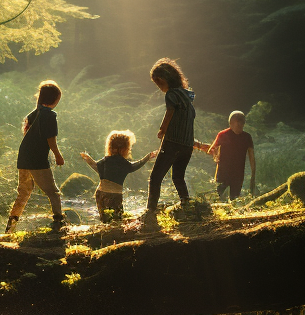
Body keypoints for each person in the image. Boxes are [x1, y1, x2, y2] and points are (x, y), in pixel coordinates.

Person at [6, 79, 66, 233]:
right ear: (54, 99)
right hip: (37, 160)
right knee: (53, 192)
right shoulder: (50, 116)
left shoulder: (33, 114)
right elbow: (50, 139)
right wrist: (58, 156)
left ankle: (10, 227)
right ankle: (59, 223)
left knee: (24, 193)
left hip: (24, 158)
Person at [145, 58, 198, 221]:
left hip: (173, 143)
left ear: (163, 80)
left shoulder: (171, 95)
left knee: (155, 177)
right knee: (178, 177)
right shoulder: (187, 96)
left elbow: (170, 112)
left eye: (157, 83)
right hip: (187, 145)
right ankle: (186, 205)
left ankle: (150, 212)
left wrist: (162, 130)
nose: (158, 87)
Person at [80, 131, 155, 222]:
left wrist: (88, 159)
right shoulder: (122, 162)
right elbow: (134, 166)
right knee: (117, 219)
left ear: (110, 146)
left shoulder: (106, 160)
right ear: (125, 148)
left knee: (105, 219)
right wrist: (147, 157)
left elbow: (96, 167)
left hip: (100, 193)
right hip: (114, 195)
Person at [204, 110, 256, 201]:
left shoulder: (247, 137)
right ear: (231, 123)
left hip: (238, 173)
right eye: (238, 123)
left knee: (235, 198)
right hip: (223, 172)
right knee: (219, 196)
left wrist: (253, 174)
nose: (240, 125)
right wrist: (216, 156)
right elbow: (211, 150)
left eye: (242, 123)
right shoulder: (222, 134)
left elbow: (252, 156)